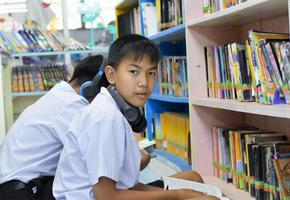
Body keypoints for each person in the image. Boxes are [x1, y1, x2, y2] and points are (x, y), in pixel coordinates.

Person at [53, 34, 218, 200]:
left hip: (115, 192)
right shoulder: (106, 117)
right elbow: (106, 197)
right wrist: (177, 195)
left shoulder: (114, 107)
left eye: (151, 73)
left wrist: (177, 194)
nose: (144, 82)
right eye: (133, 71)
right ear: (111, 75)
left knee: (193, 178)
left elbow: (127, 185)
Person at [0, 54, 108, 200]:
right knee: (93, 185)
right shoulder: (72, 105)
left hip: (19, 187)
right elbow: (94, 155)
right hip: (24, 192)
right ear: (91, 89)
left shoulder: (60, 96)